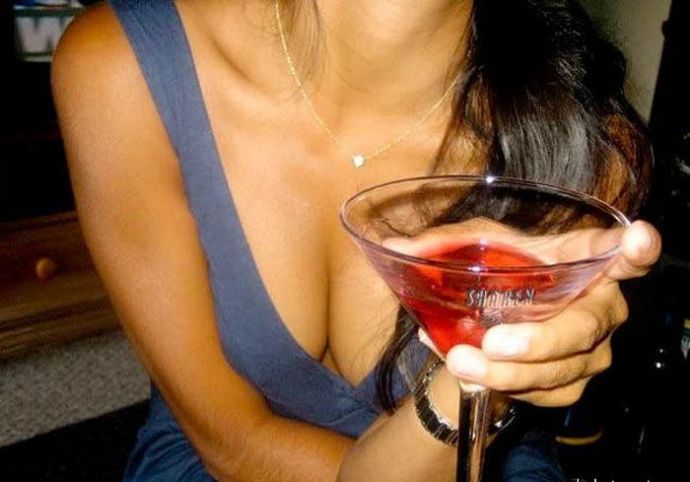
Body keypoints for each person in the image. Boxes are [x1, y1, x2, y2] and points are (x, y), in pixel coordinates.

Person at [51, 0, 661, 480]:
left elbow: (459, 443)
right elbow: (232, 446)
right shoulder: (121, 67)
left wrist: (489, 374)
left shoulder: (581, 150)